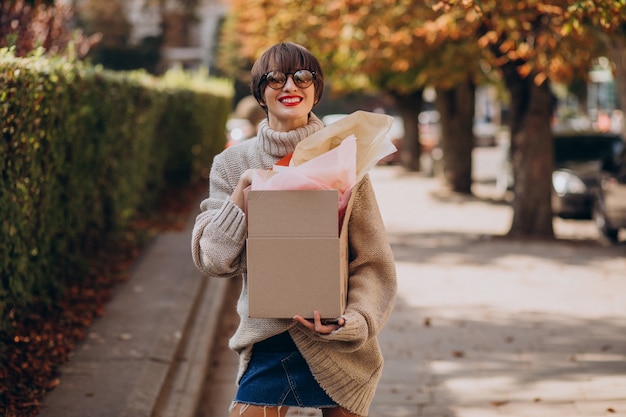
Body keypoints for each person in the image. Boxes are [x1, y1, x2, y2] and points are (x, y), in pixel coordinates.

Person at [191, 42, 397, 417]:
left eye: (303, 77)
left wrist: (353, 321)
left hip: (335, 344)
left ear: (316, 91)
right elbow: (214, 259)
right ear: (260, 93)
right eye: (276, 78)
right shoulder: (232, 163)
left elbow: (373, 261)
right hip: (269, 339)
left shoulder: (347, 159)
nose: (290, 86)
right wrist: (242, 193)